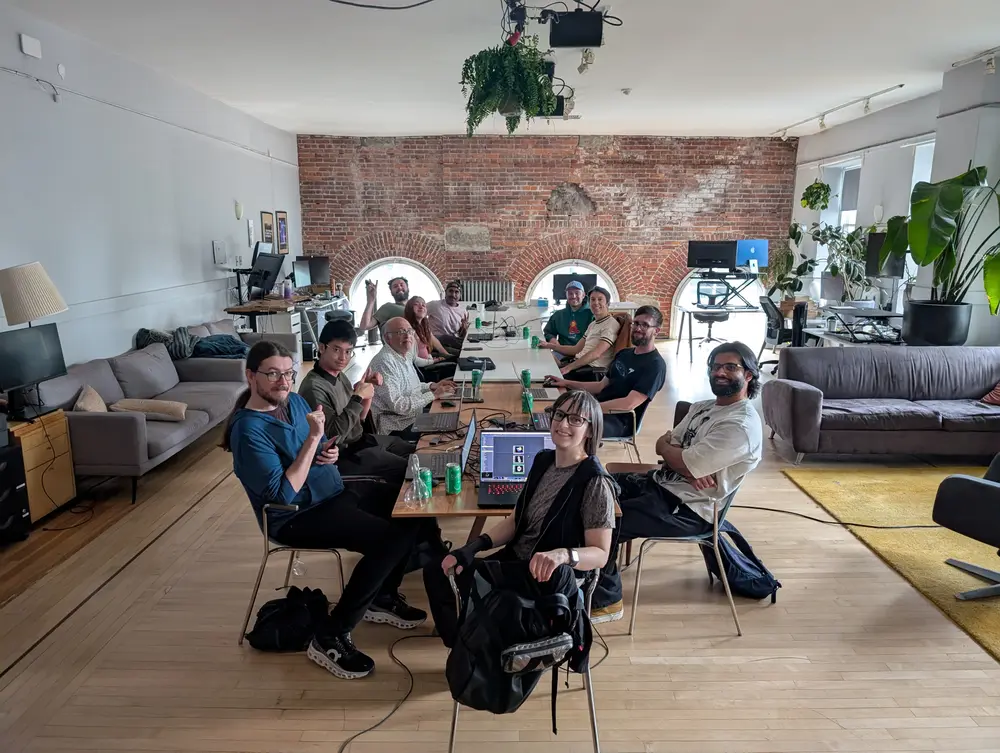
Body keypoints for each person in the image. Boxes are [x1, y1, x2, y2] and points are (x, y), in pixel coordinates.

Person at [222, 340, 428, 680]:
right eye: (272, 374)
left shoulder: (294, 402)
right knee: (389, 540)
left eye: (288, 373)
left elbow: (315, 451)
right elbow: (283, 493)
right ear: (251, 376)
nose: (283, 382)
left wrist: (328, 452)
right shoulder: (248, 431)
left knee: (411, 506)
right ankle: (331, 634)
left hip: (330, 492)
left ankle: (381, 595)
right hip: (295, 516)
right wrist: (312, 440)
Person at [423, 390, 617, 647]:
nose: (562, 424)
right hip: (516, 562)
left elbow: (600, 554)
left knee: (464, 586)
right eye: (559, 415)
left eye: (575, 419)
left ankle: (475, 648)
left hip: (545, 579)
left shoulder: (595, 482)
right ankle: (466, 647)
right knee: (439, 571)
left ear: (590, 430)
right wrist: (473, 547)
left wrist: (563, 555)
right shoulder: (543, 460)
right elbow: (516, 521)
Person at [591, 341, 764, 623]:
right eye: (715, 366)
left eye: (730, 367)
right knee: (595, 487)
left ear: (748, 374)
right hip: (662, 484)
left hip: (689, 510)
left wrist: (682, 459)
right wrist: (682, 461)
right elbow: (663, 445)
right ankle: (582, 569)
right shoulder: (703, 407)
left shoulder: (740, 426)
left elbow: (679, 457)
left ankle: (606, 601)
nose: (720, 372)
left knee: (605, 519)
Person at [297, 319, 415, 483]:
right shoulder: (314, 388)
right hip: (344, 454)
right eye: (336, 350)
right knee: (408, 467)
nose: (343, 358)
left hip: (360, 440)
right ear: (322, 348)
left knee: (414, 450)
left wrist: (367, 392)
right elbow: (333, 436)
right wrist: (357, 396)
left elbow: (360, 419)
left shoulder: (339, 376)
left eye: (348, 351)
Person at [547, 305, 666, 438]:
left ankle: (582, 451)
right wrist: (565, 382)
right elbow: (600, 386)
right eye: (636, 323)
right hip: (599, 408)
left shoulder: (655, 365)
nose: (638, 328)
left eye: (645, 325)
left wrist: (589, 410)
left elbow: (629, 404)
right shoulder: (624, 354)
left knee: (571, 426)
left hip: (620, 421)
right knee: (555, 413)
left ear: (656, 331)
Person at [369, 316, 456, 440]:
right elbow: (399, 406)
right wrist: (434, 395)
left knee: (452, 417)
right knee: (450, 434)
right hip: (397, 426)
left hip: (412, 416)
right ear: (388, 338)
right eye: (401, 332)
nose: (407, 336)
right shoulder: (384, 362)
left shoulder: (404, 354)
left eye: (410, 331)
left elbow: (411, 387)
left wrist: (432, 386)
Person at [540, 287, 620, 380]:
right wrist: (549, 346)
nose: (595, 303)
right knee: (545, 362)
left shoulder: (611, 324)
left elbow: (596, 354)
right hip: (579, 365)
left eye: (600, 299)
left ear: (608, 303)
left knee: (546, 378)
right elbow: (576, 349)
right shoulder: (593, 324)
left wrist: (568, 368)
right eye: (592, 299)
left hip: (592, 370)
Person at [404, 296, 458, 381]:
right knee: (456, 366)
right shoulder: (409, 331)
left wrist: (445, 356)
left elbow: (430, 347)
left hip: (428, 362)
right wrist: (433, 361)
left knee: (457, 359)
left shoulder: (423, 326)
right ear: (409, 309)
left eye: (423, 305)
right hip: (424, 370)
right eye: (416, 304)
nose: (421, 306)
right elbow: (414, 360)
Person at [543, 280, 594, 351]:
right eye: (570, 293)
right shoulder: (558, 315)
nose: (573, 296)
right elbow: (548, 333)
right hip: (562, 352)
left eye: (577, 293)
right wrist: (553, 341)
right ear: (566, 295)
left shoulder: (592, 315)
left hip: (585, 352)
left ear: (583, 295)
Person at [427, 280, 470, 351]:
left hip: (452, 342)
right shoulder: (434, 305)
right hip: (436, 340)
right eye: (450, 291)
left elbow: (461, 334)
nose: (453, 295)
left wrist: (464, 329)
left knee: (466, 345)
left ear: (460, 295)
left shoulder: (463, 311)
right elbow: (417, 313)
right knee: (446, 338)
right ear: (445, 292)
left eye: (456, 292)